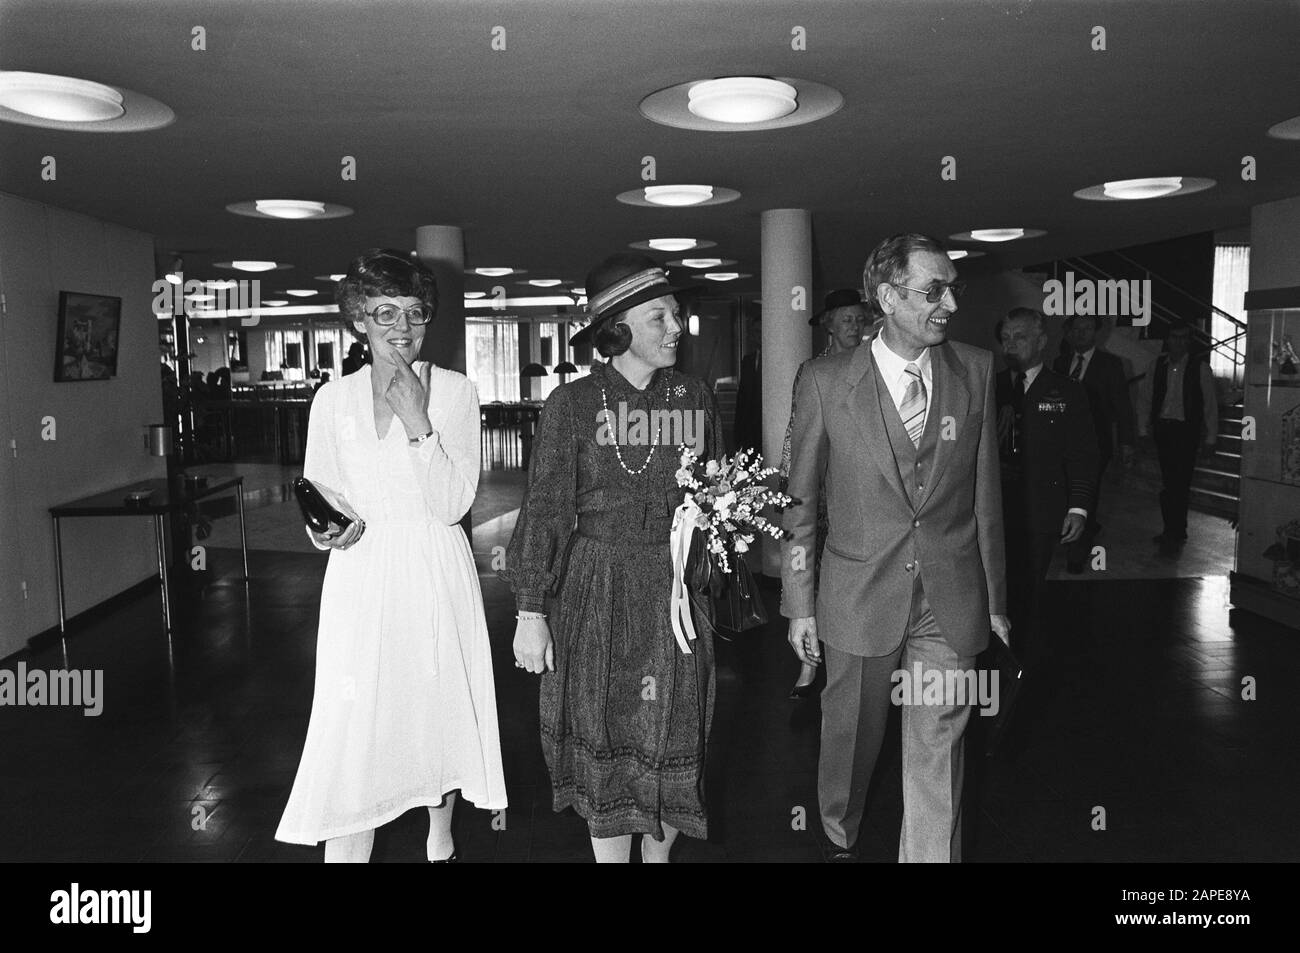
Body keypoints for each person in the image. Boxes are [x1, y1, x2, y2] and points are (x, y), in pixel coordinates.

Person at [781, 233, 1007, 863]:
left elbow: (985, 496)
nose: (950, 304)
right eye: (934, 290)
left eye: (953, 289)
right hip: (857, 595)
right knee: (852, 742)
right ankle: (839, 832)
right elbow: (800, 501)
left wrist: (994, 597)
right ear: (887, 295)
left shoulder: (977, 370)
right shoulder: (824, 381)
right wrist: (799, 603)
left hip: (950, 595)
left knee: (939, 747)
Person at [276, 249, 506, 862]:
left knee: (435, 701)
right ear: (358, 319)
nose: (402, 328)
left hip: (432, 564)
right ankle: (348, 844)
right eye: (386, 313)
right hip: (360, 573)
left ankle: (440, 835)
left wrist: (417, 423)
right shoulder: (332, 400)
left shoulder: (455, 392)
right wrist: (325, 532)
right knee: (356, 712)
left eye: (414, 313)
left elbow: (453, 503)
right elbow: (319, 489)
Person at [503, 253, 722, 863]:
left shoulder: (695, 397)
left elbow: (711, 491)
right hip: (597, 585)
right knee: (603, 727)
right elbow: (545, 507)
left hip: (676, 591)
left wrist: (721, 526)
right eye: (660, 318)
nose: (677, 328)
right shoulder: (571, 405)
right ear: (618, 331)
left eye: (676, 315)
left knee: (678, 727)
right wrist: (529, 612)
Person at [995, 308, 1098, 671]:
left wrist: (1079, 507)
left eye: (1019, 337)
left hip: (1040, 509)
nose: (1010, 345)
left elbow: (1083, 454)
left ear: (1041, 342)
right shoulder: (988, 386)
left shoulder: (1065, 392)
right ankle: (994, 660)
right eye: (1005, 338)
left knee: (1030, 590)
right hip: (993, 509)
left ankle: (1023, 663)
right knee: (995, 588)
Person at [779, 288, 869, 698]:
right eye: (846, 319)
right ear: (828, 324)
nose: (854, 325)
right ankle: (808, 661)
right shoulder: (811, 370)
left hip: (858, 488)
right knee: (809, 572)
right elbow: (798, 430)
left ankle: (854, 653)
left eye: (859, 318)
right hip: (818, 488)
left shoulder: (876, 366)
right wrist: (790, 482)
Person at [1052, 314, 1136, 572]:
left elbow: (1123, 407)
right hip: (1061, 445)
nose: (1081, 333)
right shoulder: (1060, 362)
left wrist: (1126, 442)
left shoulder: (1111, 364)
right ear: (1068, 332)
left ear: (1097, 333)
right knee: (1062, 494)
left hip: (1096, 445)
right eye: (1076, 329)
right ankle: (1065, 539)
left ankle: (1077, 554)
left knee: (1085, 496)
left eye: (1087, 328)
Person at [1136, 323, 1218, 553]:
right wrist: (1142, 431)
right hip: (1163, 430)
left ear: (1189, 341)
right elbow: (1145, 399)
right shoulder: (1156, 366)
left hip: (1186, 432)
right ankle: (1172, 528)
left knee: (1179, 483)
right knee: (1169, 483)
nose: (1179, 342)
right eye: (1175, 337)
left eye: (1184, 338)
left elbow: (1210, 405)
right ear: (1168, 339)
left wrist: (1211, 437)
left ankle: (1175, 530)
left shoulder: (1199, 368)